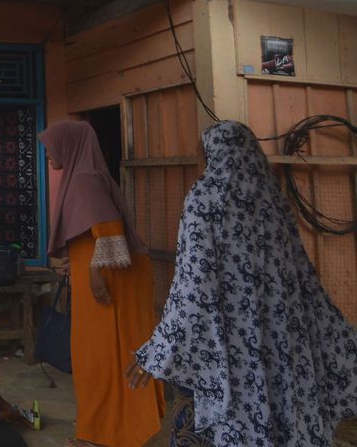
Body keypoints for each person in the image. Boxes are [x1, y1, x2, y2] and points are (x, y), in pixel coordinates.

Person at [128, 120, 357, 446]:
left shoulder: (204, 200)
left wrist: (160, 349)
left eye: (201, 155)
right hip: (282, 349)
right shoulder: (275, 203)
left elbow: (193, 288)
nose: (199, 162)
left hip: (226, 354)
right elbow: (306, 283)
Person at [39, 120, 163, 447]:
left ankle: (100, 436)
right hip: (106, 275)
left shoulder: (83, 179)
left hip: (108, 282)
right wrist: (76, 264)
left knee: (99, 359)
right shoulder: (84, 176)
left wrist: (93, 273)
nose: (48, 153)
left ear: (69, 145)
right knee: (107, 357)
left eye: (51, 146)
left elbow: (108, 229)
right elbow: (90, 231)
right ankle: (108, 432)